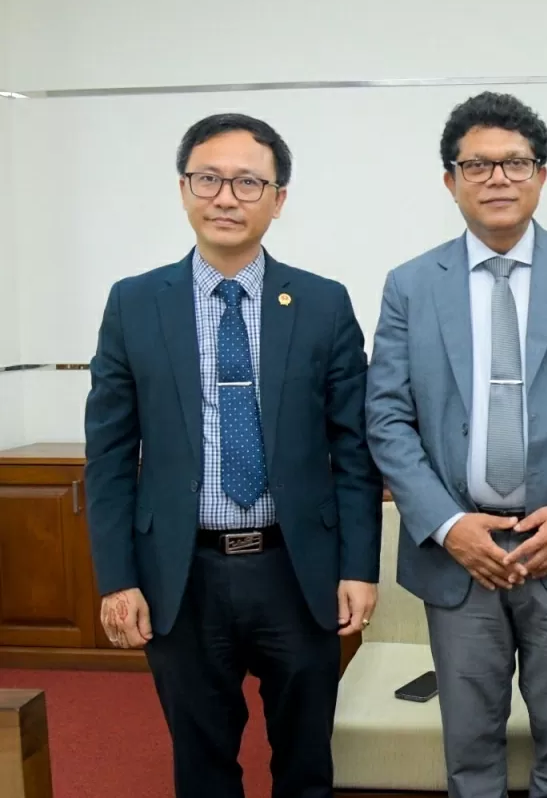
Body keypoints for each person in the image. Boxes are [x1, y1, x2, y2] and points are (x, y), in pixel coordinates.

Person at [365, 91, 547, 798]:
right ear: (451, 181)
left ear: (541, 176)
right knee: (470, 761)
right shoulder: (410, 285)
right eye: (477, 165)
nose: (497, 178)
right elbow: (387, 418)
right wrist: (447, 525)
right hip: (458, 556)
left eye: (515, 163)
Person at [83, 113, 383, 798]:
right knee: (202, 764)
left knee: (306, 764)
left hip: (295, 569)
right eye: (208, 179)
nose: (226, 197)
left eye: (248, 182)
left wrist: (358, 567)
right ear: (183, 190)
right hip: (180, 573)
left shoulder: (322, 303)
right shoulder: (134, 304)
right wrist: (116, 578)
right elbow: (109, 456)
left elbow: (354, 449)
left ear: (278, 200)